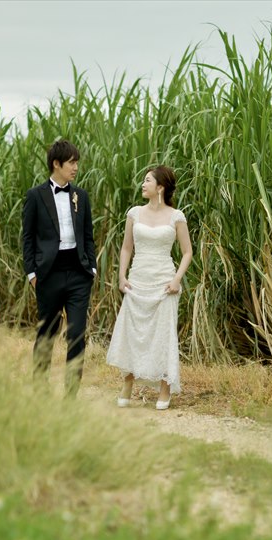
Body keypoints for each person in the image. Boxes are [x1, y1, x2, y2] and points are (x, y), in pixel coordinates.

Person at [106, 165, 193, 409]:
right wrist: (122, 277)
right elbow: (126, 248)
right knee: (132, 332)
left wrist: (176, 280)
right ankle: (128, 382)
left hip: (164, 282)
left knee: (163, 334)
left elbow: (187, 252)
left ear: (160, 187)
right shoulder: (134, 213)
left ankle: (165, 387)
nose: (143, 185)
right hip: (138, 280)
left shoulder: (176, 216)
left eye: (147, 181)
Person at [21, 139, 97, 397]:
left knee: (77, 334)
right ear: (56, 164)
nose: (75, 167)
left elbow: (88, 235)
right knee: (47, 334)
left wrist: (92, 269)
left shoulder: (81, 196)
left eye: (76, 162)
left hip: (78, 274)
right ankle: (40, 392)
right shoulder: (35, 196)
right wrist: (32, 273)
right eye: (71, 163)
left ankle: (71, 397)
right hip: (48, 274)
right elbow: (27, 237)